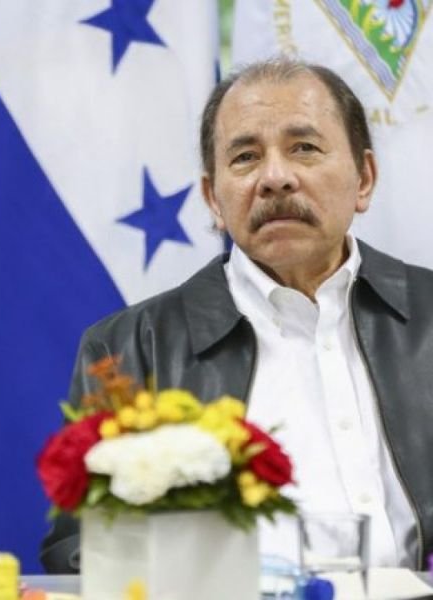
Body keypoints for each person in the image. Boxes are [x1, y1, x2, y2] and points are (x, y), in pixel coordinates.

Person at [41, 57, 433, 572]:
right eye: (245, 157)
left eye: (305, 148)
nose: (275, 178)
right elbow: (79, 550)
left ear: (364, 178)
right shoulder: (130, 348)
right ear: (213, 200)